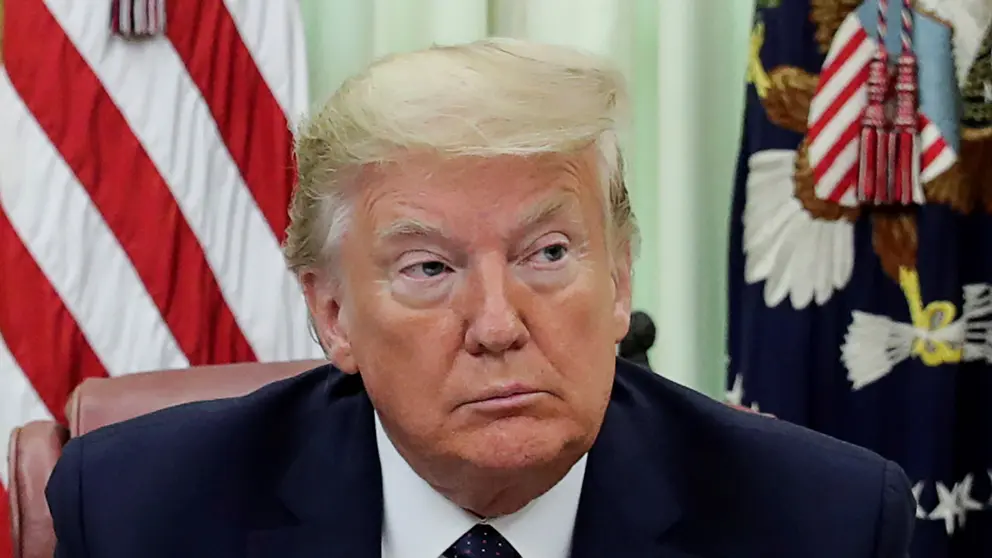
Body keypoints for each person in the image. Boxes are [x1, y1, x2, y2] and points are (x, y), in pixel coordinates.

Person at [46, 38, 915, 558]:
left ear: (619, 283)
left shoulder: (820, 523)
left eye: (546, 253)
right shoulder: (141, 512)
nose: (498, 327)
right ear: (333, 314)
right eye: (428, 269)